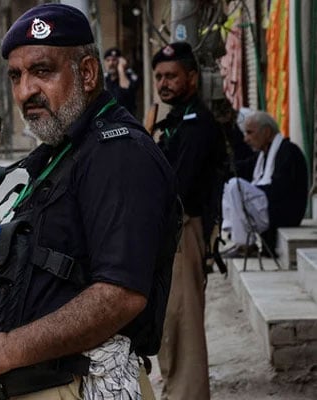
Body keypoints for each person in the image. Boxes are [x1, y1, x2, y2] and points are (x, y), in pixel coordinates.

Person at [0, 4, 178, 398]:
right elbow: (15, 226)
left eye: (43, 71)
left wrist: (4, 348)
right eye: (17, 75)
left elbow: (120, 295)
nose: (26, 90)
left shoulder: (118, 154)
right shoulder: (59, 151)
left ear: (88, 73)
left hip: (81, 386)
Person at [152, 42, 226, 400]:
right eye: (159, 77)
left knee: (183, 324)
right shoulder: (175, 120)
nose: (164, 83)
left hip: (185, 230)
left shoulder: (197, 125)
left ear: (192, 78)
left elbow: (176, 186)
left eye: (172, 76)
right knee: (170, 322)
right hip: (172, 232)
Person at [222, 110, 307, 257]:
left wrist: (252, 191)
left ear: (267, 132)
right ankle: (240, 241)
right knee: (229, 185)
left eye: (250, 133)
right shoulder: (262, 155)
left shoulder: (288, 152)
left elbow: (280, 190)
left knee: (236, 186)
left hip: (285, 212)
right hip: (269, 208)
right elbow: (241, 168)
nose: (246, 139)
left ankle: (246, 246)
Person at [103, 47, 140, 117]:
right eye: (108, 60)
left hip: (127, 120)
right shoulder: (104, 79)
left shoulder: (130, 76)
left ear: (120, 61)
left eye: (114, 60)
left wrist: (121, 69)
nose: (111, 63)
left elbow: (126, 90)